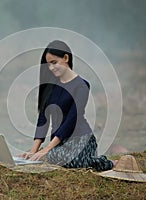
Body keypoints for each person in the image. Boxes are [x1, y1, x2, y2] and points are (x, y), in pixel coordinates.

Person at [19, 40, 114, 171]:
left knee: (56, 159)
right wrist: (33, 151)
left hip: (81, 140)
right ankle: (50, 154)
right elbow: (43, 119)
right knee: (50, 158)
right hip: (59, 144)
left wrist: (46, 149)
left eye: (54, 62)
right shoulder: (51, 86)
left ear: (66, 58)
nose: (51, 68)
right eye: (49, 65)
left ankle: (105, 163)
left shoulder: (81, 86)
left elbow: (72, 119)